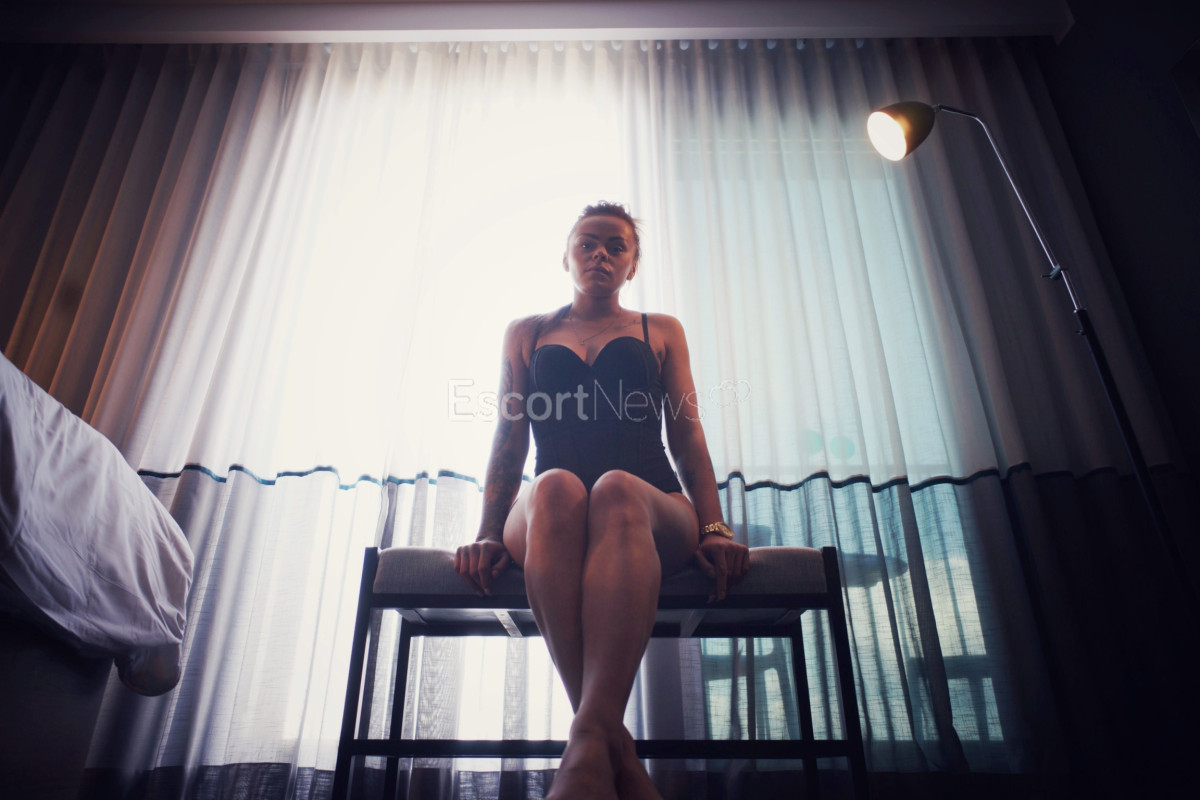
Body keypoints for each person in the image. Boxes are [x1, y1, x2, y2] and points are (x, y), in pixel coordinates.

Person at [454, 202, 750, 800]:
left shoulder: (660, 329)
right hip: (551, 514)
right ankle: (606, 744)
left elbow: (686, 436)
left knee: (614, 486)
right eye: (588, 243)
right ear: (565, 256)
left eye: (617, 246)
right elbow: (509, 439)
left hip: (649, 506)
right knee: (556, 483)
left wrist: (714, 526)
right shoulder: (526, 332)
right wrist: (487, 531)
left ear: (632, 265)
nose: (601, 254)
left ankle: (589, 743)